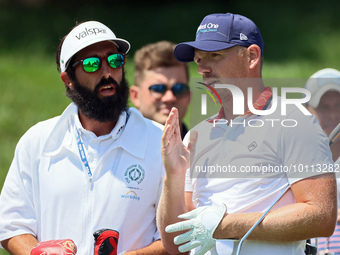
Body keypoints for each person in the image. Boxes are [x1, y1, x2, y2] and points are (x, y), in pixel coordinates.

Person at [157, 13, 337, 255]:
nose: (202, 68)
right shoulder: (196, 137)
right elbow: (177, 244)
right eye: (199, 59)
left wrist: (222, 226)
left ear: (251, 56)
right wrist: (173, 175)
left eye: (214, 56)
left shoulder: (295, 122)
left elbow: (321, 216)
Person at [0, 21, 169, 255]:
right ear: (68, 78)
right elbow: (11, 225)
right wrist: (37, 252)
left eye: (115, 60)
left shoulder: (161, 143)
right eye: (91, 64)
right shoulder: (37, 141)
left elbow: (177, 239)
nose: (107, 72)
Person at [304, 68, 340, 254]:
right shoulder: (291, 157)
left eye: (339, 105)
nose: (334, 115)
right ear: (307, 110)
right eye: (324, 107)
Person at [130, 41, 190, 139]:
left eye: (179, 88)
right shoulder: (112, 151)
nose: (169, 98)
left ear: (189, 96)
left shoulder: (208, 152)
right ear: (135, 96)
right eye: (158, 89)